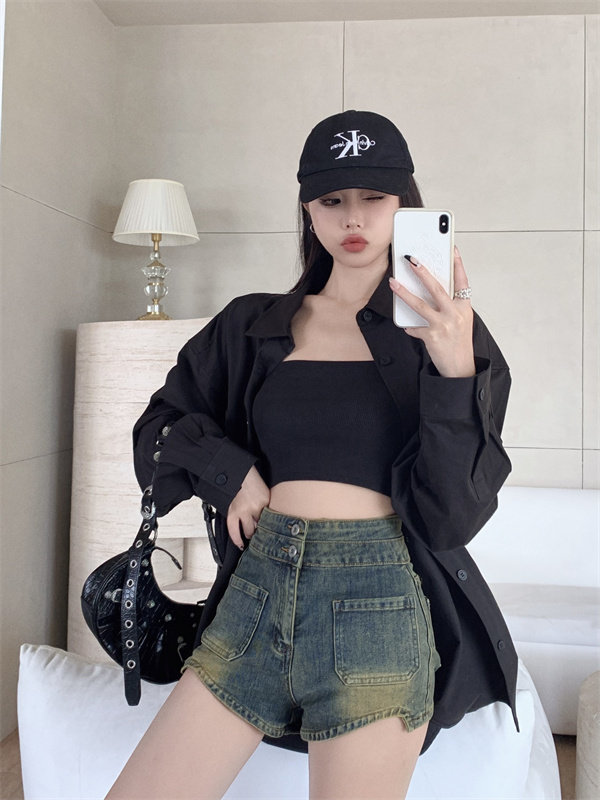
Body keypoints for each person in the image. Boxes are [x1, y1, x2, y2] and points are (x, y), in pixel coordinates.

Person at [106, 110, 518, 800]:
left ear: (405, 203)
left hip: (378, 602)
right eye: (332, 200)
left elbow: (455, 517)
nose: (352, 217)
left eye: (373, 197)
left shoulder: (451, 336)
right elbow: (156, 431)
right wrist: (231, 473)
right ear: (307, 208)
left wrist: (453, 371)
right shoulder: (250, 325)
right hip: (256, 592)